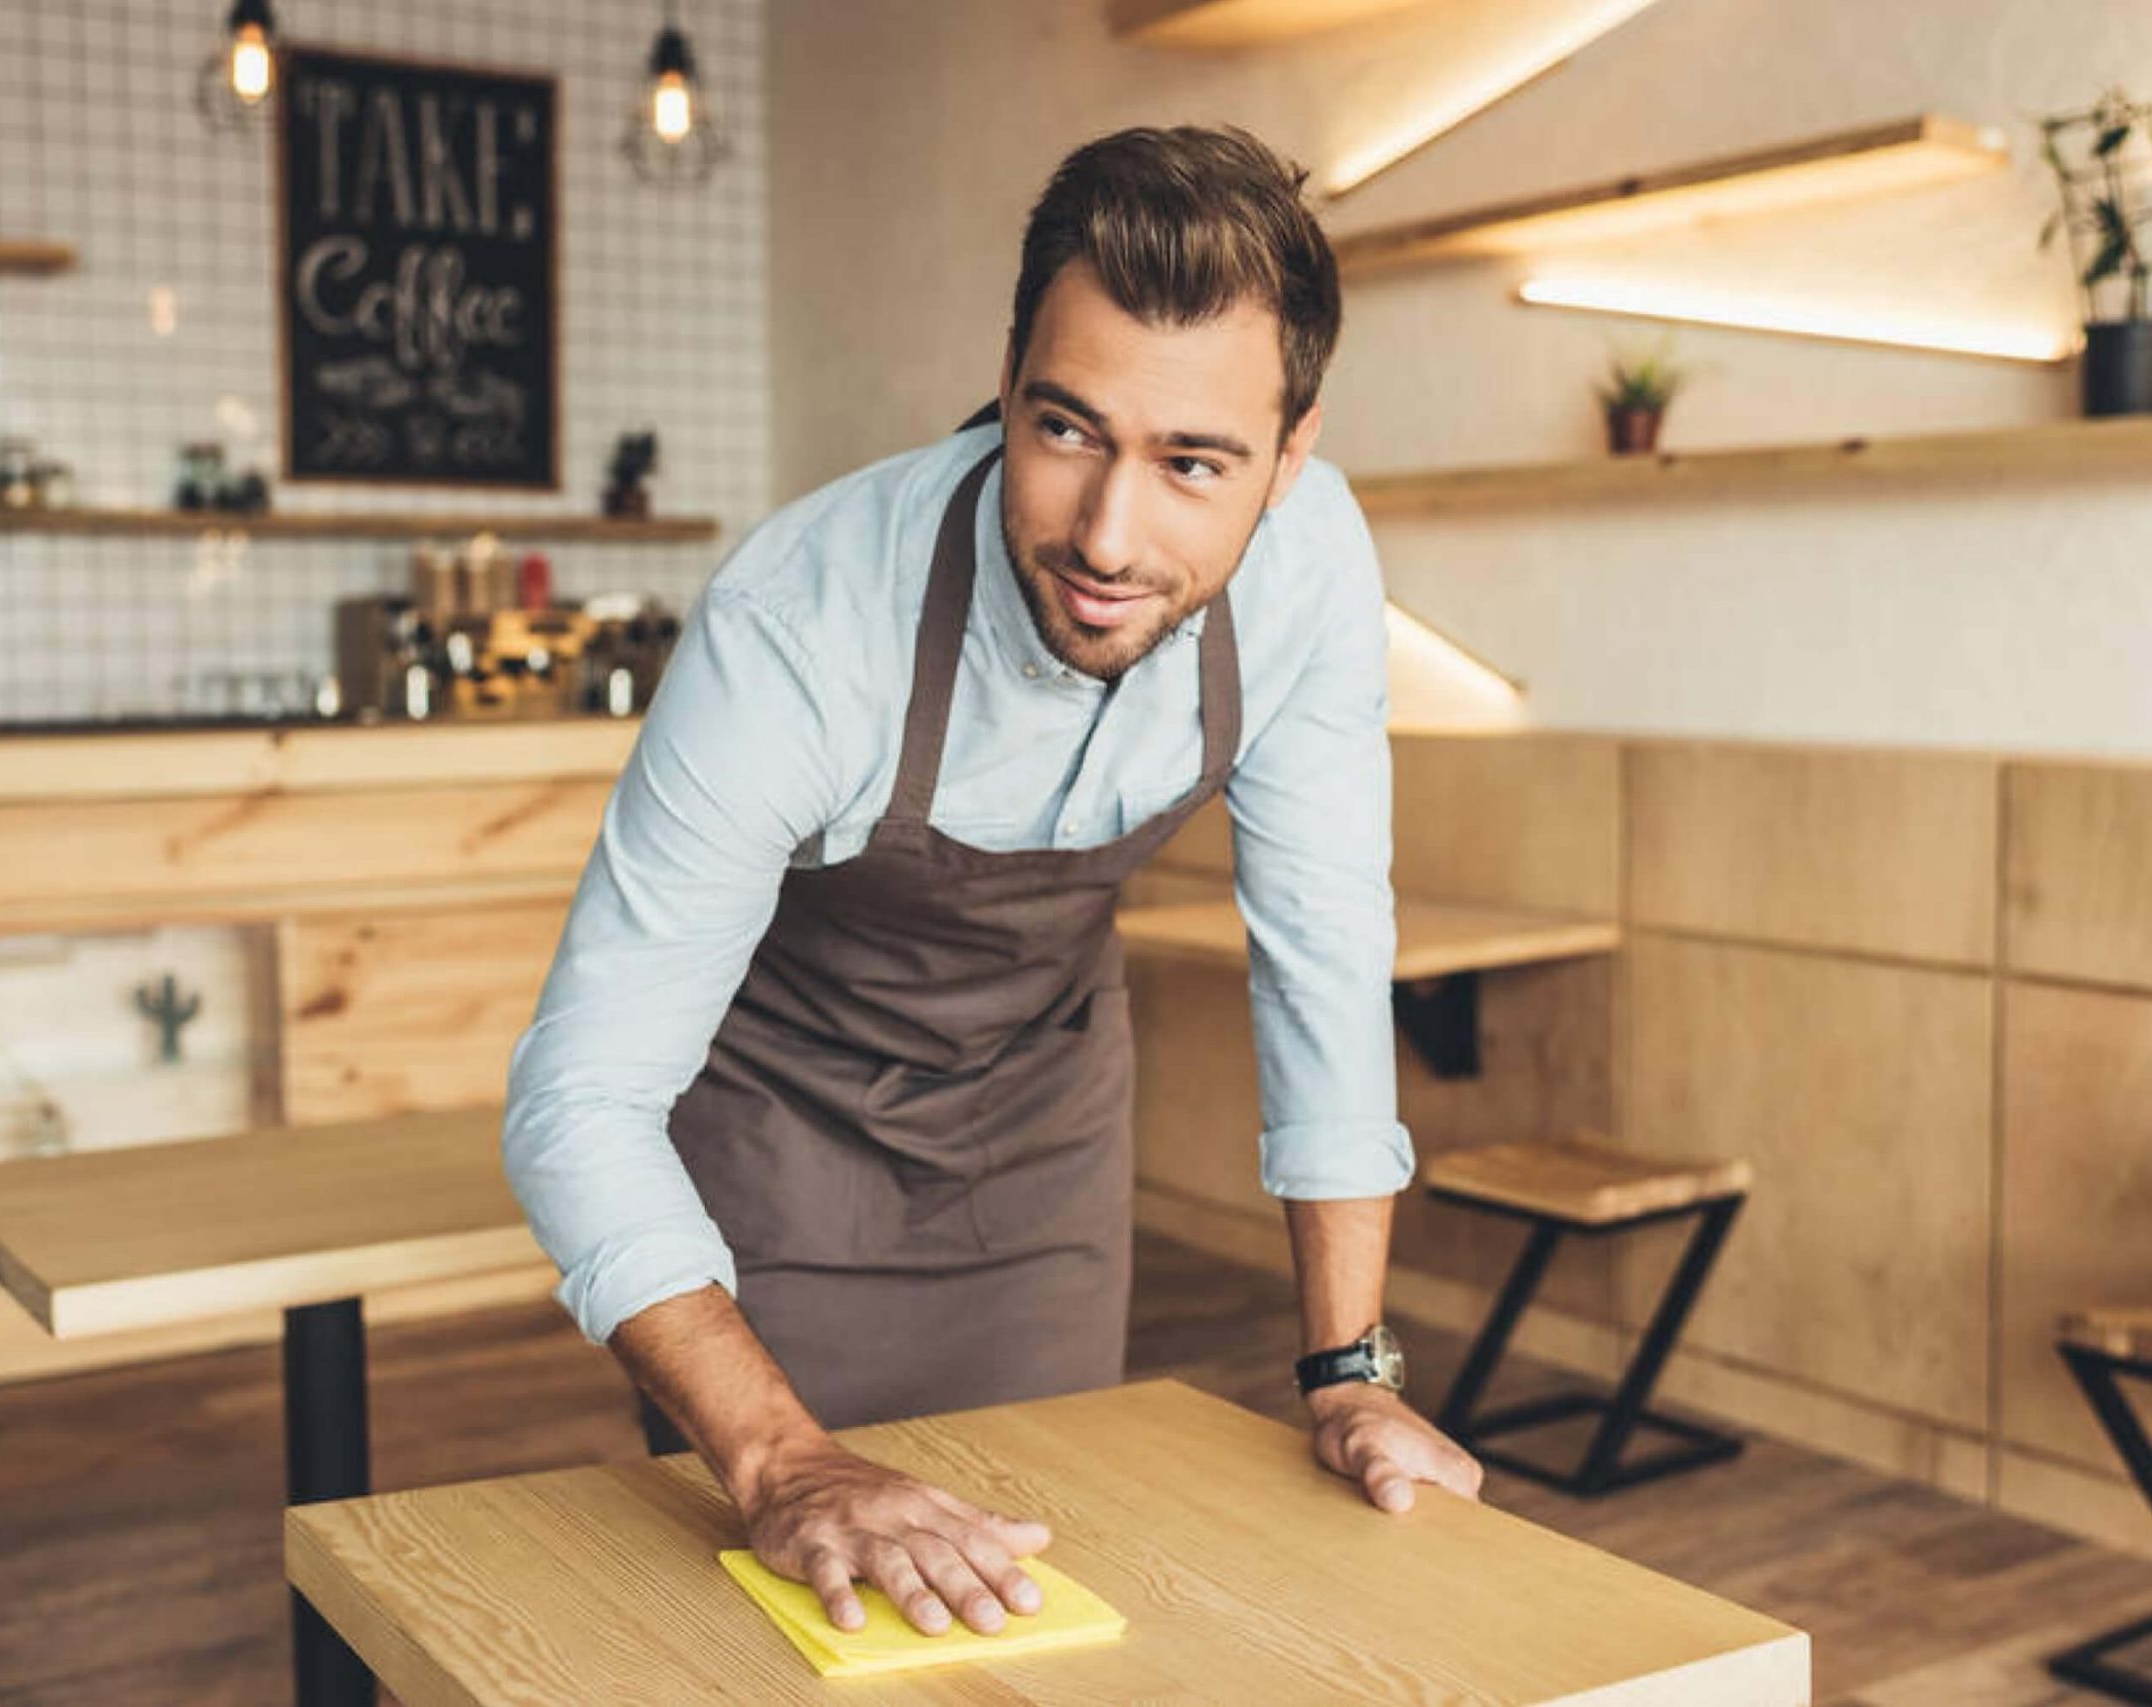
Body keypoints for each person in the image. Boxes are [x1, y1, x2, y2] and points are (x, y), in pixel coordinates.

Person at [503, 123, 1480, 1643]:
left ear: (1293, 459)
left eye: (1193, 464)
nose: (1106, 533)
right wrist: (779, 1459)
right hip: (781, 1134)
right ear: (1010, 375)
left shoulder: (1312, 573)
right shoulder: (801, 620)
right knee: (800, 1626)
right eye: (1067, 428)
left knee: (1032, 1595)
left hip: (1042, 1127)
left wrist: (1350, 1374)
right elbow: (579, 1099)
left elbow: (1325, 960)